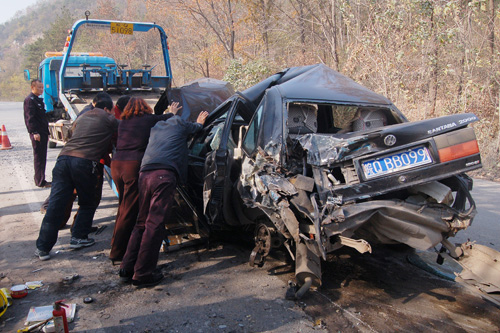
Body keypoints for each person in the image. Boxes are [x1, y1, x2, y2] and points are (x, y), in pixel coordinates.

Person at [119, 110, 209, 288]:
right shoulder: (179, 122)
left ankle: (127, 268)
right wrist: (199, 121)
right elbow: (197, 128)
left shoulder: (156, 127)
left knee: (142, 222)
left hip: (145, 174)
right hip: (163, 175)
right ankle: (143, 274)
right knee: (154, 225)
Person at [35, 93, 118, 261]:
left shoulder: (82, 116)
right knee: (88, 202)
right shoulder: (109, 118)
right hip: (85, 163)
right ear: (108, 109)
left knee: (56, 204)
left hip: (63, 160)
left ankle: (43, 247)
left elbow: (75, 136)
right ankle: (78, 237)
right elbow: (124, 135)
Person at [109, 98, 181, 264]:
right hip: (132, 166)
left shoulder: (123, 122)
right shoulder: (147, 119)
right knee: (130, 210)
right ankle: (118, 252)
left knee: (123, 207)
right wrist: (173, 112)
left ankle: (117, 246)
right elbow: (166, 120)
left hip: (117, 165)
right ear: (145, 107)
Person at [23, 79, 51, 188]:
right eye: (39, 87)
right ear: (32, 87)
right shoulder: (29, 100)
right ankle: (40, 181)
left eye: (42, 87)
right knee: (39, 157)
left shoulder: (38, 100)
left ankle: (41, 179)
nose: (41, 89)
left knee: (43, 156)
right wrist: (34, 132)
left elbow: (42, 118)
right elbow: (29, 118)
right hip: (37, 133)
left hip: (43, 132)